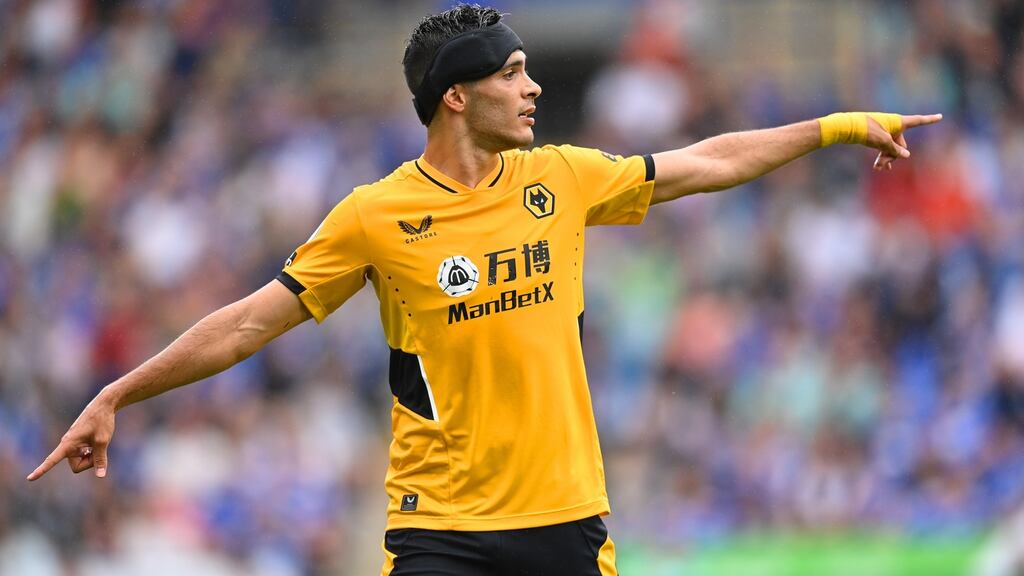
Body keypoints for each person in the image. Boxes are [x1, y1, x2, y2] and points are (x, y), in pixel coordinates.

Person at [28, 4, 941, 575]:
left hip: (565, 519)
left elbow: (704, 161)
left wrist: (836, 124)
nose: (534, 87)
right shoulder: (374, 216)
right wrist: (119, 391)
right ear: (457, 96)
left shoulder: (564, 178)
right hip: (441, 532)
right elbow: (244, 327)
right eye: (512, 73)